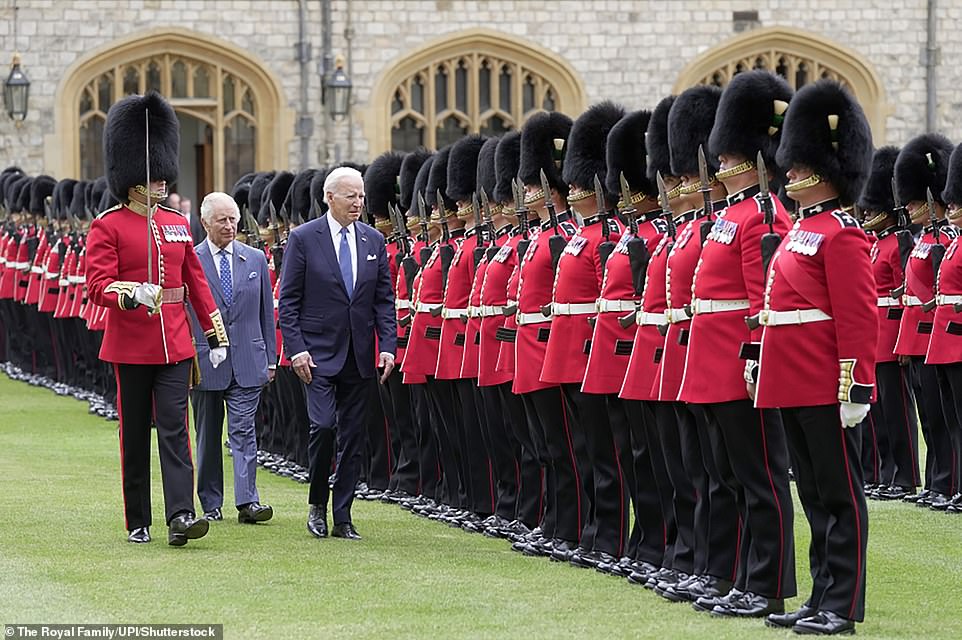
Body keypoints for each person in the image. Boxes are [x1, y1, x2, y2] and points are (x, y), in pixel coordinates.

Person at [754, 79, 876, 635]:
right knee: (813, 494)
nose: (792, 173)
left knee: (839, 495)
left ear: (827, 169)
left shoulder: (843, 235)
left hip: (827, 381)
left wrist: (857, 385)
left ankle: (843, 605)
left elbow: (858, 318)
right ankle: (820, 592)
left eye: (803, 166)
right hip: (792, 379)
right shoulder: (802, 229)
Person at [84, 91, 230, 546]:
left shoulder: (175, 223)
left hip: (175, 343)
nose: (163, 181)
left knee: (175, 430)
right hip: (130, 343)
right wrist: (130, 294)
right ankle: (138, 519)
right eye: (153, 174)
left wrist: (214, 331)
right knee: (134, 435)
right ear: (131, 179)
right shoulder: (107, 226)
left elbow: (195, 283)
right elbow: (97, 285)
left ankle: (181, 516)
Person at [278, 166, 396, 540]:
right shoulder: (303, 238)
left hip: (359, 356)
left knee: (353, 436)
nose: (358, 202)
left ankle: (342, 513)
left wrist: (388, 348)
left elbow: (383, 301)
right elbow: (289, 302)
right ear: (329, 198)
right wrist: (296, 350)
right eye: (351, 196)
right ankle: (317, 504)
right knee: (324, 427)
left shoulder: (373, 241)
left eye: (361, 196)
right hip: (317, 355)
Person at [189, 191, 277, 525]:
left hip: (248, 358)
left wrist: (270, 357)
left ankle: (247, 501)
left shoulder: (254, 258)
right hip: (206, 359)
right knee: (208, 436)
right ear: (205, 223)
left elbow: (265, 311)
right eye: (223, 220)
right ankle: (211, 502)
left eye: (234, 220)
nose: (230, 226)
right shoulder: (192, 259)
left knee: (244, 432)